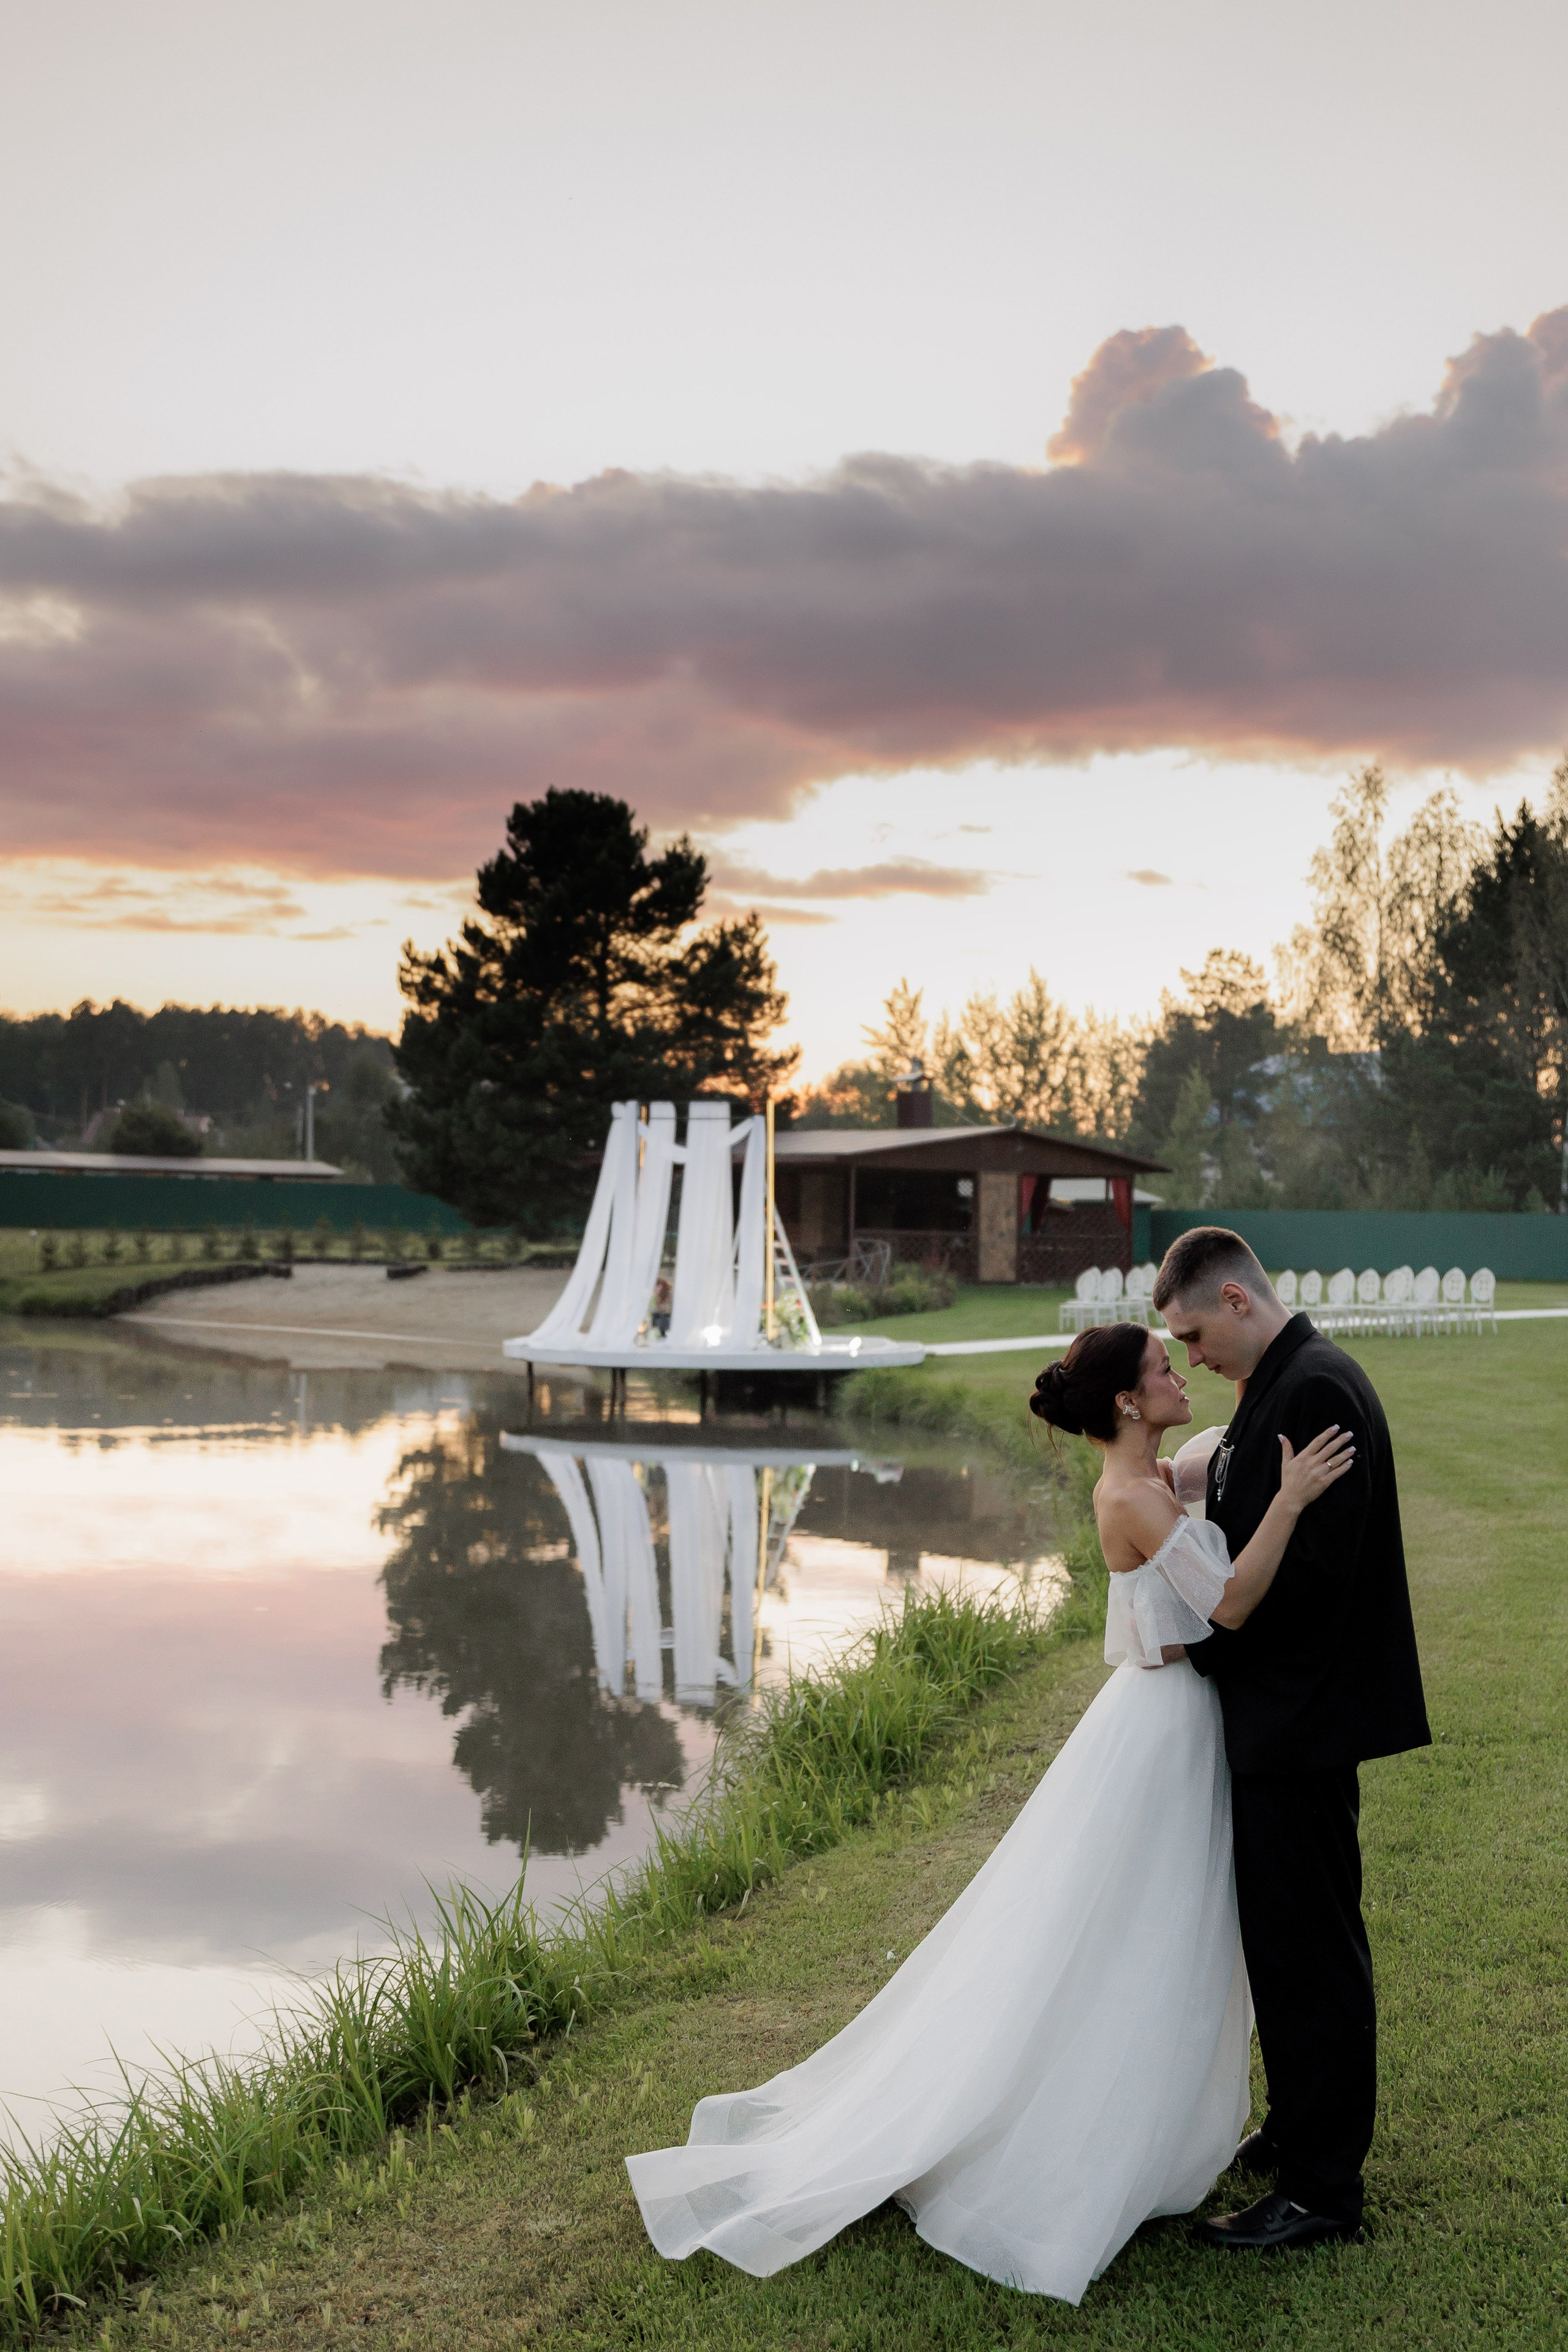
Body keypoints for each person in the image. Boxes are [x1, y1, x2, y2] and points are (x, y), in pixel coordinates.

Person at [625, 1320, 1353, 2304]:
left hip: (1169, 1723)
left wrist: (1249, 1421)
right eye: (1162, 1366)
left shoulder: (1155, 1476)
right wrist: (1296, 1500)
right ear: (1128, 1403)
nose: (1180, 1371)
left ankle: (1164, 2118)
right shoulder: (1132, 1497)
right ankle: (1076, 2133)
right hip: (1168, 1729)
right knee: (1137, 1931)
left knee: (1160, 1928)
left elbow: (1205, 1461)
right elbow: (1224, 1602)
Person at [1153, 1226, 1430, 2254]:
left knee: (1312, 1951)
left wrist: (1207, 1644)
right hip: (1285, 1715)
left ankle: (1322, 2192)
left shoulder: (1314, 1388)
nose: (1188, 1356)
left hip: (1303, 1717)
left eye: (1190, 1333)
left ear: (1234, 1299)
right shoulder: (1274, 1386)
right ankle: (1300, 2128)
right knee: (1287, 1939)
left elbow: (1315, 1576)